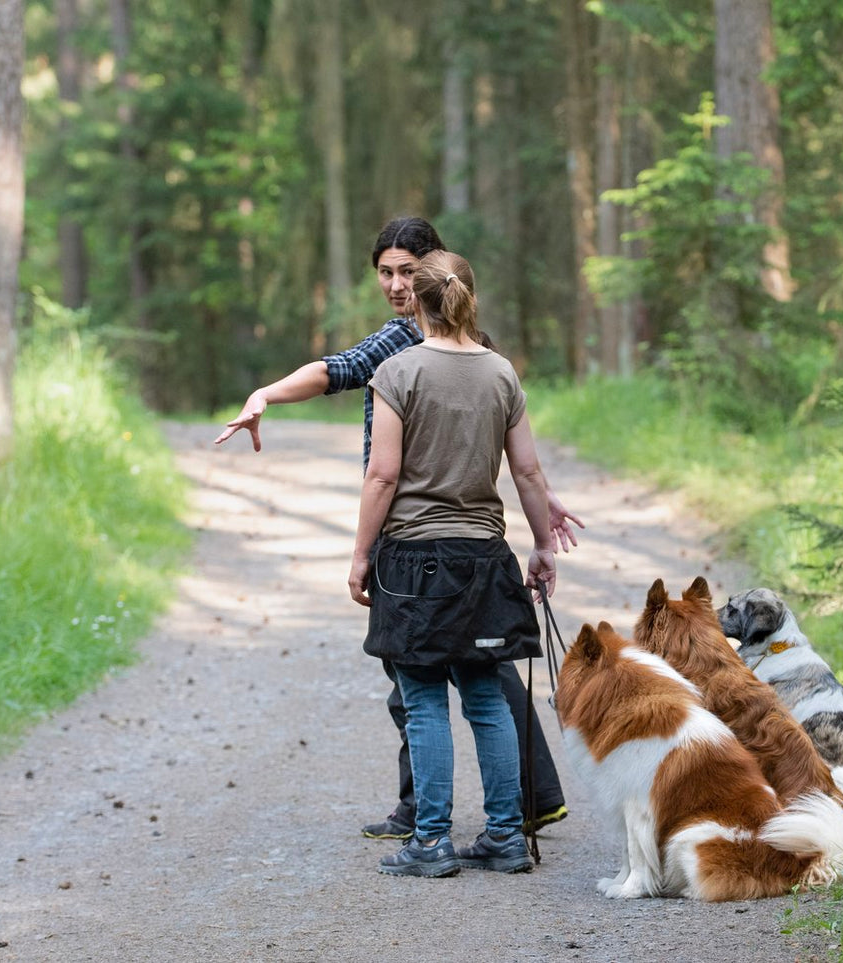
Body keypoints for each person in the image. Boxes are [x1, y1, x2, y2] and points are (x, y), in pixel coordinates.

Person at [215, 216, 577, 839]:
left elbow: (372, 446)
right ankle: (515, 812)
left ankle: (432, 821)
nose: (395, 283)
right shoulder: (489, 358)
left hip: (409, 541)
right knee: (482, 678)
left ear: (438, 272)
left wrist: (360, 553)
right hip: (475, 542)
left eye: (408, 271)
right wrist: (541, 523)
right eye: (384, 271)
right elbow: (521, 460)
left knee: (423, 685)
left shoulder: (409, 354)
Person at [348, 249, 555, 877]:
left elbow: (382, 473)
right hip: (485, 557)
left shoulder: (399, 370)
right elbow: (526, 470)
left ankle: (432, 841)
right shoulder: (501, 373)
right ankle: (504, 836)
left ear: (420, 298)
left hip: (413, 560)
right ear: (468, 296)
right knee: (487, 698)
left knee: (424, 700)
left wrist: (361, 554)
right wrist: (543, 546)